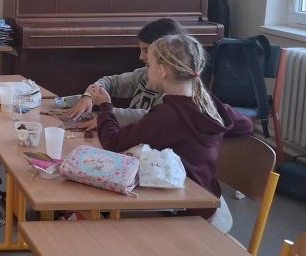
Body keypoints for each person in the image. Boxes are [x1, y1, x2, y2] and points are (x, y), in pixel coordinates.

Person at [91, 33, 253, 232]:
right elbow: (246, 125)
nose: (147, 69)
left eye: (149, 65)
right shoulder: (208, 102)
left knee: (102, 210)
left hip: (183, 211)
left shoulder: (167, 116)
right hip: (207, 201)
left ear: (162, 71)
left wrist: (105, 107)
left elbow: (113, 142)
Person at [64, 17, 188, 129]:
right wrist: (88, 96)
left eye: (146, 50)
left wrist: (108, 114)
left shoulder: (178, 91)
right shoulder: (144, 74)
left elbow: (153, 117)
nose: (141, 57)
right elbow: (109, 82)